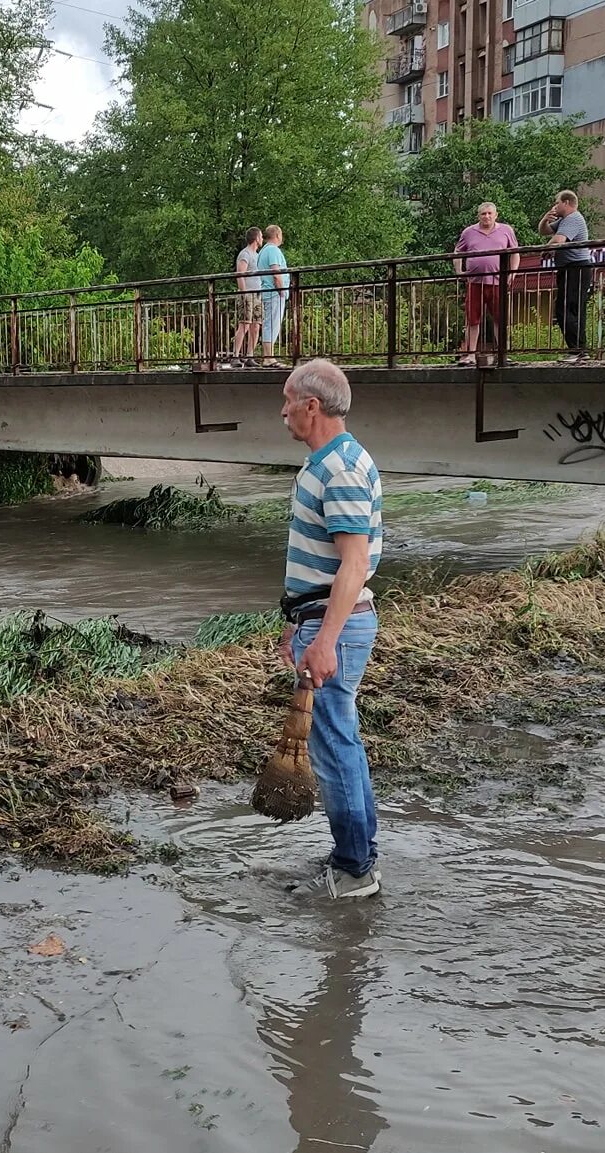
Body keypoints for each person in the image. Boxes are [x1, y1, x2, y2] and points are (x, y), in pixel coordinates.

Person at [275, 359, 383, 899]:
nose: (283, 411)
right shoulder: (339, 459)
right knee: (343, 740)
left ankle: (354, 872)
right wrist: (297, 626)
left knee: (334, 747)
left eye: (288, 401)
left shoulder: (336, 470)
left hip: (334, 625)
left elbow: (354, 564)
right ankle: (358, 856)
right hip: (321, 619)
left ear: (311, 406)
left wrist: (322, 640)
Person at [454, 203, 519, 367]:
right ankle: (470, 354)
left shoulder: (506, 230)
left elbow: (514, 253)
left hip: (498, 281)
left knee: (499, 318)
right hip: (475, 282)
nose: (487, 216)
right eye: (483, 214)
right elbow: (457, 252)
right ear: (478, 216)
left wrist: (512, 273)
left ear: (496, 215)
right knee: (472, 319)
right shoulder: (469, 232)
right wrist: (459, 271)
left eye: (490, 213)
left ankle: (502, 353)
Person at [538, 191, 593, 361]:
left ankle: (578, 350)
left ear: (566, 203)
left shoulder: (573, 218)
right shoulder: (563, 220)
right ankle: (578, 350)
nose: (555, 206)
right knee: (571, 308)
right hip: (569, 268)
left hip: (576, 268)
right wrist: (545, 218)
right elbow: (545, 231)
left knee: (566, 308)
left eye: (557, 203)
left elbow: (559, 240)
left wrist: (545, 250)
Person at [256, 225, 291, 366]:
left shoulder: (263, 251)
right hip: (274, 292)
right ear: (277, 235)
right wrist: (281, 289)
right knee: (272, 324)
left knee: (269, 324)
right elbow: (276, 272)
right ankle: (268, 357)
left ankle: (268, 356)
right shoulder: (273, 250)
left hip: (266, 291)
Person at [229, 227, 264, 366]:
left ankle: (250, 356)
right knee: (244, 324)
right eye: (261, 236)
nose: (262, 239)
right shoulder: (245, 254)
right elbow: (240, 274)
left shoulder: (257, 255)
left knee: (256, 326)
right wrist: (243, 293)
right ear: (256, 238)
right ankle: (235, 356)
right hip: (247, 293)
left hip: (257, 294)